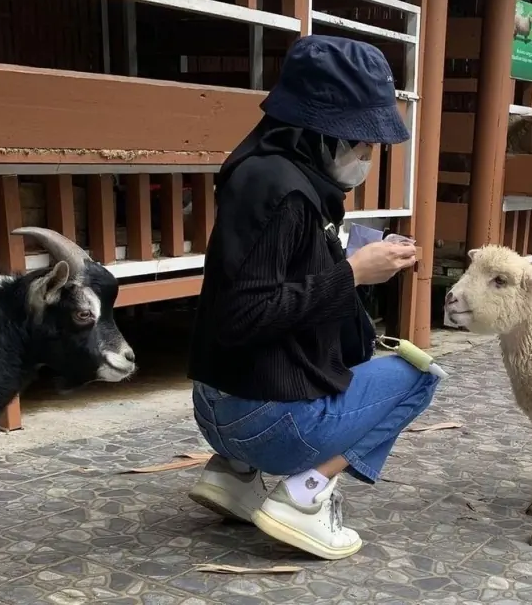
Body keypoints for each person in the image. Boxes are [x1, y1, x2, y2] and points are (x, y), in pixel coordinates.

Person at [187, 34, 438, 561]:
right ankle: (304, 497)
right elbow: (245, 314)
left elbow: (274, 270)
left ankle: (234, 477)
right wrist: (351, 274)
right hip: (262, 421)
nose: (367, 153)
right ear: (315, 130)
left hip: (215, 409)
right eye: (359, 139)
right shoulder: (289, 196)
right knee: (419, 377)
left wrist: (359, 255)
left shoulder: (258, 169)